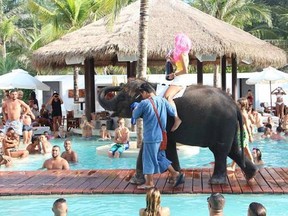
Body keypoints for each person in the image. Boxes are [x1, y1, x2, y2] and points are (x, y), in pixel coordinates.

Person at [132, 83, 184, 189]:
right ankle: (175, 173)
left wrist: (135, 107)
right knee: (160, 157)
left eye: (142, 93)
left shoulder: (144, 103)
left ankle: (149, 183)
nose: (142, 96)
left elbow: (135, 115)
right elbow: (172, 112)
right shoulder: (163, 101)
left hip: (150, 137)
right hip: (161, 136)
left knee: (148, 159)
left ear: (146, 92)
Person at [164, 33, 191, 132]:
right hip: (178, 78)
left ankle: (176, 118)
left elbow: (185, 70)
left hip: (180, 79)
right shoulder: (183, 54)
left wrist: (174, 75)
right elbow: (179, 66)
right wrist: (172, 61)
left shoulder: (183, 54)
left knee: (167, 97)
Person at [228, 98, 254, 171]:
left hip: (243, 133)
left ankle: (233, 166)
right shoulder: (239, 112)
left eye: (238, 104)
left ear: (242, 105)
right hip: (239, 133)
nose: (236, 104)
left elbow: (247, 126)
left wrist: (250, 135)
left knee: (238, 150)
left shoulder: (243, 114)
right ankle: (252, 164)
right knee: (245, 150)